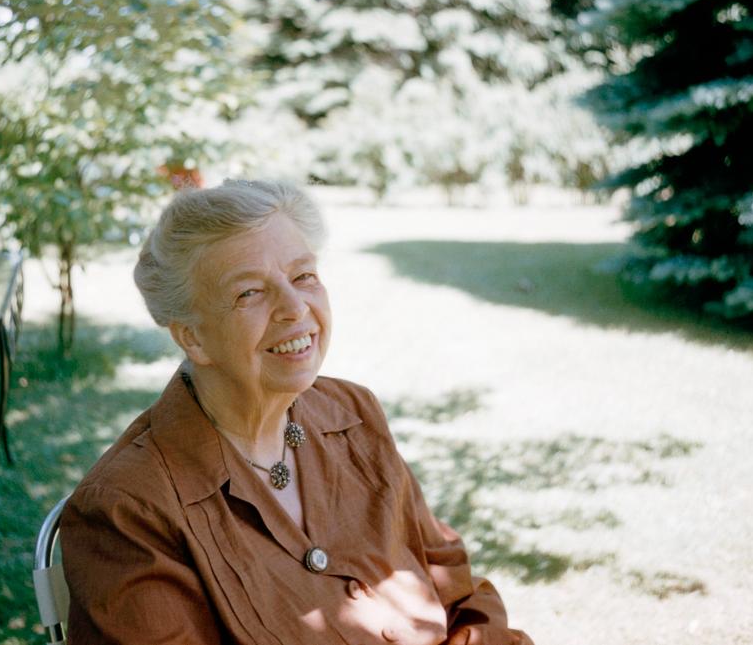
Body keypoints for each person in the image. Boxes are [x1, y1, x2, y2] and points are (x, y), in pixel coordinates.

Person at [61, 179, 533, 645]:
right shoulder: (129, 508)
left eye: (303, 276)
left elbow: (454, 583)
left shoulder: (353, 413)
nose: (295, 307)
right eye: (250, 292)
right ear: (192, 337)